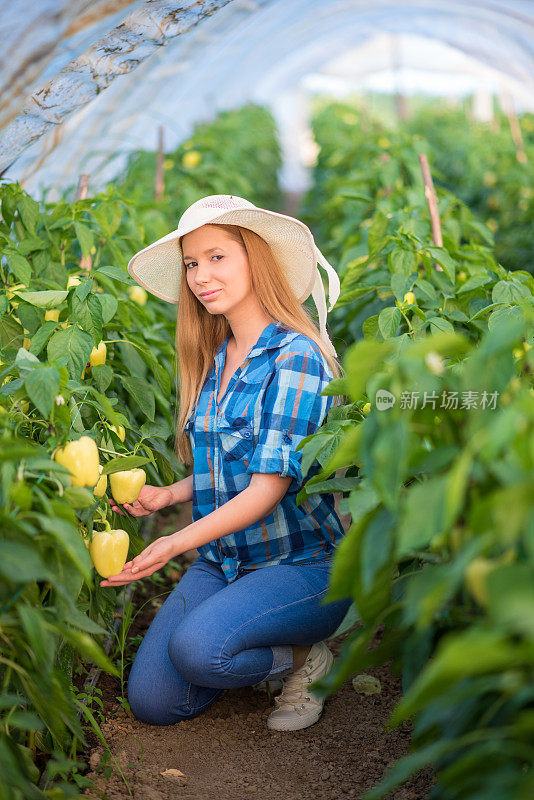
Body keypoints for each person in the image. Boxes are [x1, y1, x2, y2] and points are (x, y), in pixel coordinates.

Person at [100, 194, 353, 732]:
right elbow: (228, 463)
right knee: (152, 701)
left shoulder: (296, 357)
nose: (199, 276)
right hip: (225, 562)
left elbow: (266, 488)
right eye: (192, 263)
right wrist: (170, 495)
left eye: (217, 257)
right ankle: (250, 642)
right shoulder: (216, 358)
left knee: (200, 651)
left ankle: (307, 658)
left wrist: (172, 542)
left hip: (301, 568)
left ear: (255, 260)